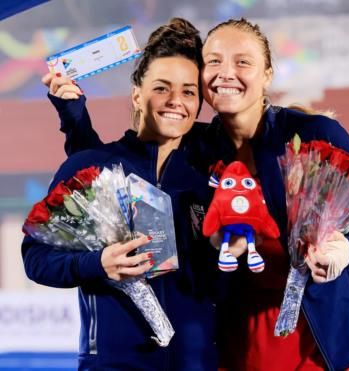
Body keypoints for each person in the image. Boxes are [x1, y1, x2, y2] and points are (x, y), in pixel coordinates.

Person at [43, 18, 349, 371]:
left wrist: (348, 249)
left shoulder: (314, 132)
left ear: (267, 74)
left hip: (318, 339)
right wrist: (74, 118)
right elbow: (111, 174)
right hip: (235, 340)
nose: (226, 72)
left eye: (242, 61)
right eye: (214, 61)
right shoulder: (195, 147)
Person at [22, 18, 218, 371]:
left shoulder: (213, 171)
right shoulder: (93, 167)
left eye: (189, 91)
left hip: (202, 362)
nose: (176, 101)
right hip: (113, 364)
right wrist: (98, 264)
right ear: (136, 94)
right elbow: (36, 258)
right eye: (162, 88)